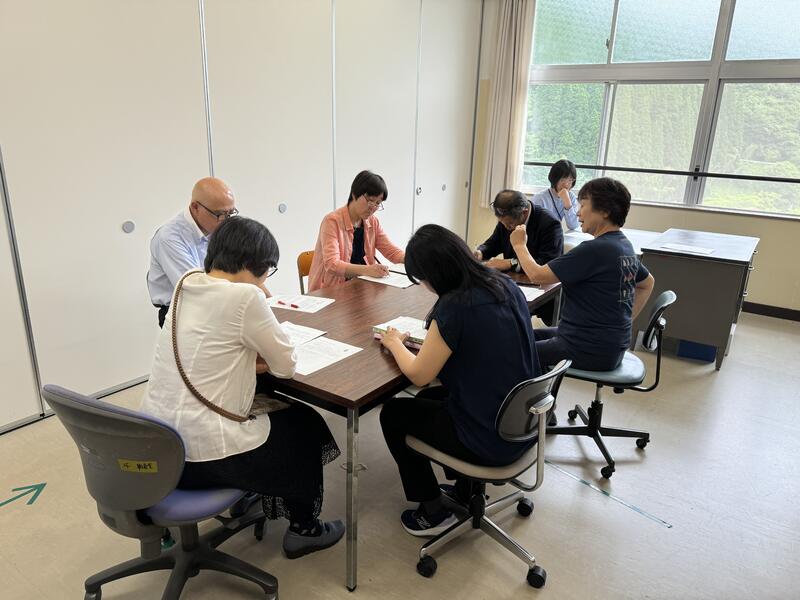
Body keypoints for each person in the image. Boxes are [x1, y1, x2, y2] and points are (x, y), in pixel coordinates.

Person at [140, 216, 344, 559]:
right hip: (201, 456)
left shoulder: (186, 284)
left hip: (159, 447)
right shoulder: (246, 297)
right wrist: (259, 301)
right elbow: (286, 366)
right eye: (267, 271)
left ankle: (253, 492)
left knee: (274, 410)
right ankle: (304, 528)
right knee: (304, 424)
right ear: (255, 266)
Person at [378, 224, 542, 536]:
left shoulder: (456, 305)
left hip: (489, 439)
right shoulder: (503, 284)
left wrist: (395, 343)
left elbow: (420, 375)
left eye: (422, 279)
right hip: (522, 423)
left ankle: (432, 510)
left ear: (435, 274)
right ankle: (466, 490)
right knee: (427, 401)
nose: (425, 286)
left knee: (394, 413)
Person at [511, 177, 655, 372]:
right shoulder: (623, 245)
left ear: (605, 211)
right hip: (606, 345)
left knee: (511, 353)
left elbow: (538, 275)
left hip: (587, 348)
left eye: (583, 205)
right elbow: (647, 283)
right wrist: (624, 325)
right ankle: (541, 382)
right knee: (523, 337)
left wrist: (519, 245)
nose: (578, 212)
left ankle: (536, 387)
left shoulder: (596, 250)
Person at [147, 177, 239, 327]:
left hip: (215, 303)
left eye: (231, 213)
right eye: (220, 214)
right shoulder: (169, 238)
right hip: (181, 312)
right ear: (195, 207)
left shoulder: (218, 227)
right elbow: (197, 287)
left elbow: (243, 268)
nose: (226, 221)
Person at [307, 170, 405, 292]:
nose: (373, 208)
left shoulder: (373, 222)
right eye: (370, 201)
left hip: (361, 287)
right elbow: (332, 264)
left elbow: (391, 251)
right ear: (354, 194)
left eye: (378, 203)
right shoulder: (332, 221)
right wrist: (368, 270)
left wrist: (413, 259)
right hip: (330, 290)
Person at [474, 189, 563, 272]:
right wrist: (481, 252)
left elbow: (547, 263)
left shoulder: (550, 224)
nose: (506, 227)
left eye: (510, 224)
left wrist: (511, 263)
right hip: (512, 278)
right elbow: (493, 244)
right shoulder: (506, 220)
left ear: (524, 212)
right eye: (501, 222)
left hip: (538, 281)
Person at [530, 159, 580, 230]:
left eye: (570, 180)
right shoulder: (540, 198)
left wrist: (567, 203)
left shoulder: (571, 197)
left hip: (555, 233)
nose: (566, 185)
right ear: (554, 179)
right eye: (562, 180)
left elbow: (573, 225)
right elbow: (533, 226)